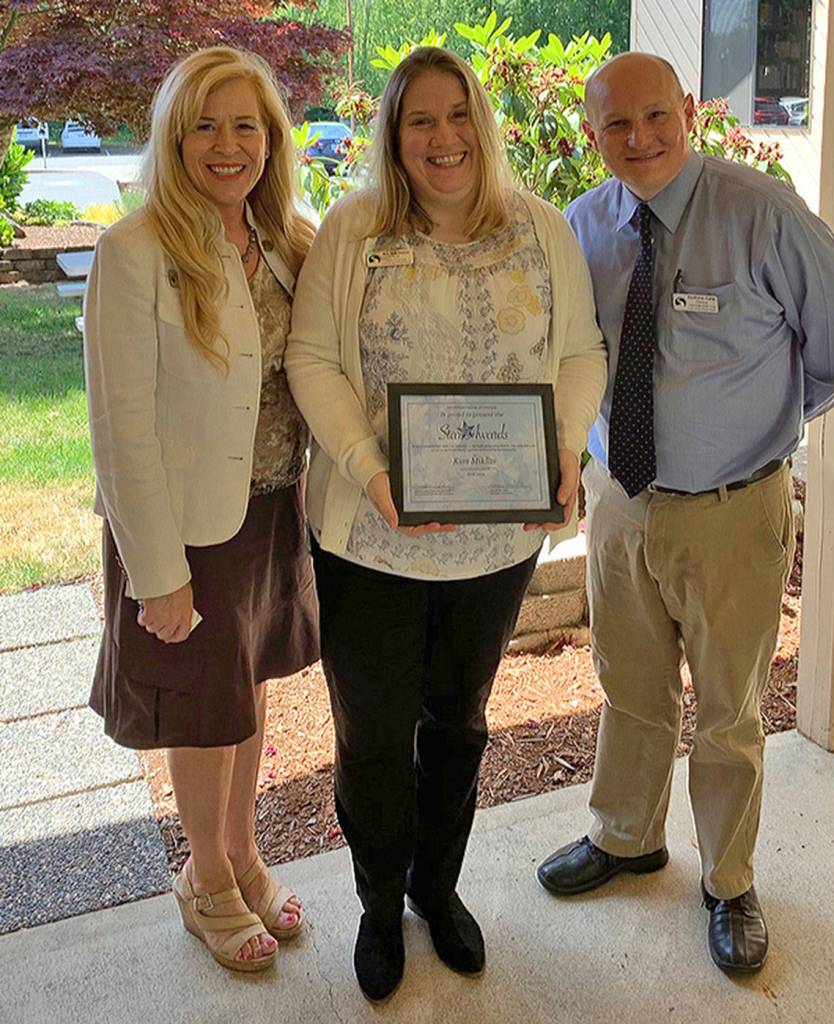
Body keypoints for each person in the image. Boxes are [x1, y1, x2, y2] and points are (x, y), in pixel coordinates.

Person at [536, 52, 834, 973]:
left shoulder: (763, 213)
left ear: (687, 110)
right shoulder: (582, 227)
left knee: (728, 709)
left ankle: (728, 881)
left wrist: (762, 430)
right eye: (616, 124)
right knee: (630, 687)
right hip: (621, 505)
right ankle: (626, 836)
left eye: (655, 115)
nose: (639, 138)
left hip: (733, 511)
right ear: (591, 135)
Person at [286, 46, 606, 1001]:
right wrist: (369, 469)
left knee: (459, 722)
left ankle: (437, 886)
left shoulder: (541, 228)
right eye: (420, 120)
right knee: (375, 734)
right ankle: (380, 903)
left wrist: (566, 445)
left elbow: (580, 352)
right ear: (394, 136)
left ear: (483, 124)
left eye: (457, 114)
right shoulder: (355, 230)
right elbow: (311, 359)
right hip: (371, 540)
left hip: (495, 544)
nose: (443, 137)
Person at [83, 46, 320, 973]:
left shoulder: (287, 240)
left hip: (271, 508)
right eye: (205, 127)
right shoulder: (135, 251)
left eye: (246, 126)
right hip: (186, 527)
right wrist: (158, 573)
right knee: (200, 709)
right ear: (174, 140)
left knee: (247, 692)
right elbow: (120, 429)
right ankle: (206, 878)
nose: (228, 146)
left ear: (272, 140)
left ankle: (243, 853)